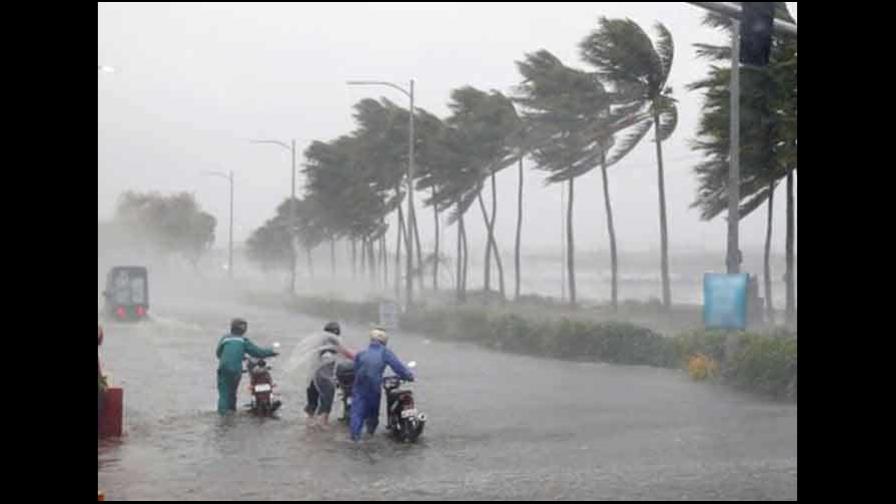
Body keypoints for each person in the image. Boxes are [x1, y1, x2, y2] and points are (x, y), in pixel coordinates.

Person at [349, 328, 414, 442]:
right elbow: (398, 367)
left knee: (357, 411)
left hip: (359, 385)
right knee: (373, 412)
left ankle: (355, 438)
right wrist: (408, 376)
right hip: (374, 386)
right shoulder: (385, 352)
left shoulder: (361, 353)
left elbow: (355, 369)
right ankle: (370, 435)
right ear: (384, 341)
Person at [215, 318, 278, 414]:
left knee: (224, 393)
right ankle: (231, 411)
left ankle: (223, 414)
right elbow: (258, 352)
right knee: (232, 391)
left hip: (224, 368)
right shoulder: (243, 341)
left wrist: (234, 357)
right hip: (236, 369)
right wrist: (271, 352)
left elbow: (218, 353)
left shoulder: (225, 339)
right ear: (244, 330)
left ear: (232, 328)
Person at [304, 321, 355, 429]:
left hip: (312, 377)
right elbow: (347, 354)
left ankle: (309, 424)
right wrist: (360, 357)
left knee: (312, 402)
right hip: (324, 379)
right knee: (326, 402)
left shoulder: (318, 343)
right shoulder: (333, 344)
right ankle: (322, 424)